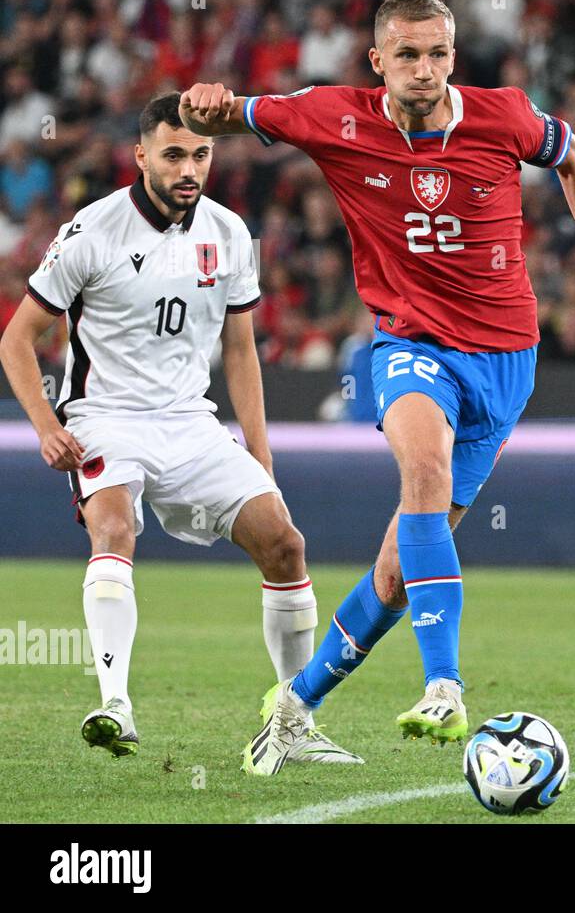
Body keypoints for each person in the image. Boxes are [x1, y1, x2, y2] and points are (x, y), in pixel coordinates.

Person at [178, 0, 575, 775]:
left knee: (396, 574)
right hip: (411, 345)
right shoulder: (333, 115)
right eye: (406, 55)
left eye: (437, 53)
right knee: (424, 473)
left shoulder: (503, 115)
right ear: (377, 61)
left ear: (453, 56)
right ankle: (444, 684)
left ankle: (293, 707)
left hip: (507, 361)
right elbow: (227, 112)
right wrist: (205, 104)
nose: (424, 69)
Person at [0, 93, 359, 767]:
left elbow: (241, 351)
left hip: (190, 422)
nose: (189, 167)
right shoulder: (92, 231)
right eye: (173, 154)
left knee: (285, 545)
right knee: (114, 530)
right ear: (140, 157)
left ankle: (293, 720)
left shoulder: (228, 234)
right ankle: (114, 704)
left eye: (200, 153)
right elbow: (17, 340)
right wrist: (47, 427)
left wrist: (260, 449)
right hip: (106, 419)